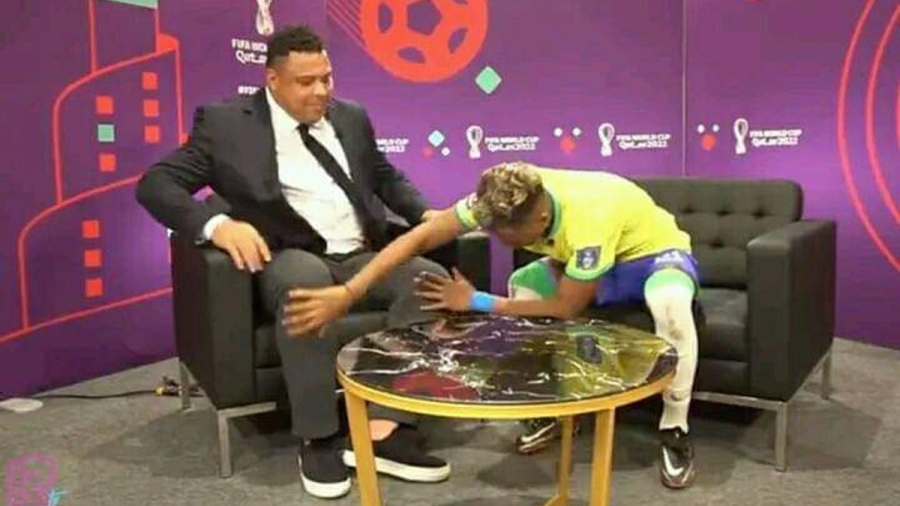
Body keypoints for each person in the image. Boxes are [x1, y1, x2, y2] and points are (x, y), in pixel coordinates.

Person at [136, 25, 450, 499]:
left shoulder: (351, 117)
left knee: (430, 281)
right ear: (273, 80)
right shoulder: (226, 124)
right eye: (306, 82)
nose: (321, 91)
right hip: (288, 253)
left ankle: (386, 427)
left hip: (360, 252)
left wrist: (424, 215)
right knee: (308, 283)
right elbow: (157, 184)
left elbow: (384, 177)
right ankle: (318, 437)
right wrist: (217, 226)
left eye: (327, 78)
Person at [284, 161, 700, 489]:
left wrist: (476, 301)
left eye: (508, 234)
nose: (498, 239)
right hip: (584, 262)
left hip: (651, 258)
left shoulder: (591, 217)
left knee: (669, 302)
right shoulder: (500, 196)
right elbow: (421, 237)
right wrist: (350, 291)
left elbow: (566, 307)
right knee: (523, 287)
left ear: (540, 218)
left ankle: (675, 427)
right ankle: (555, 409)